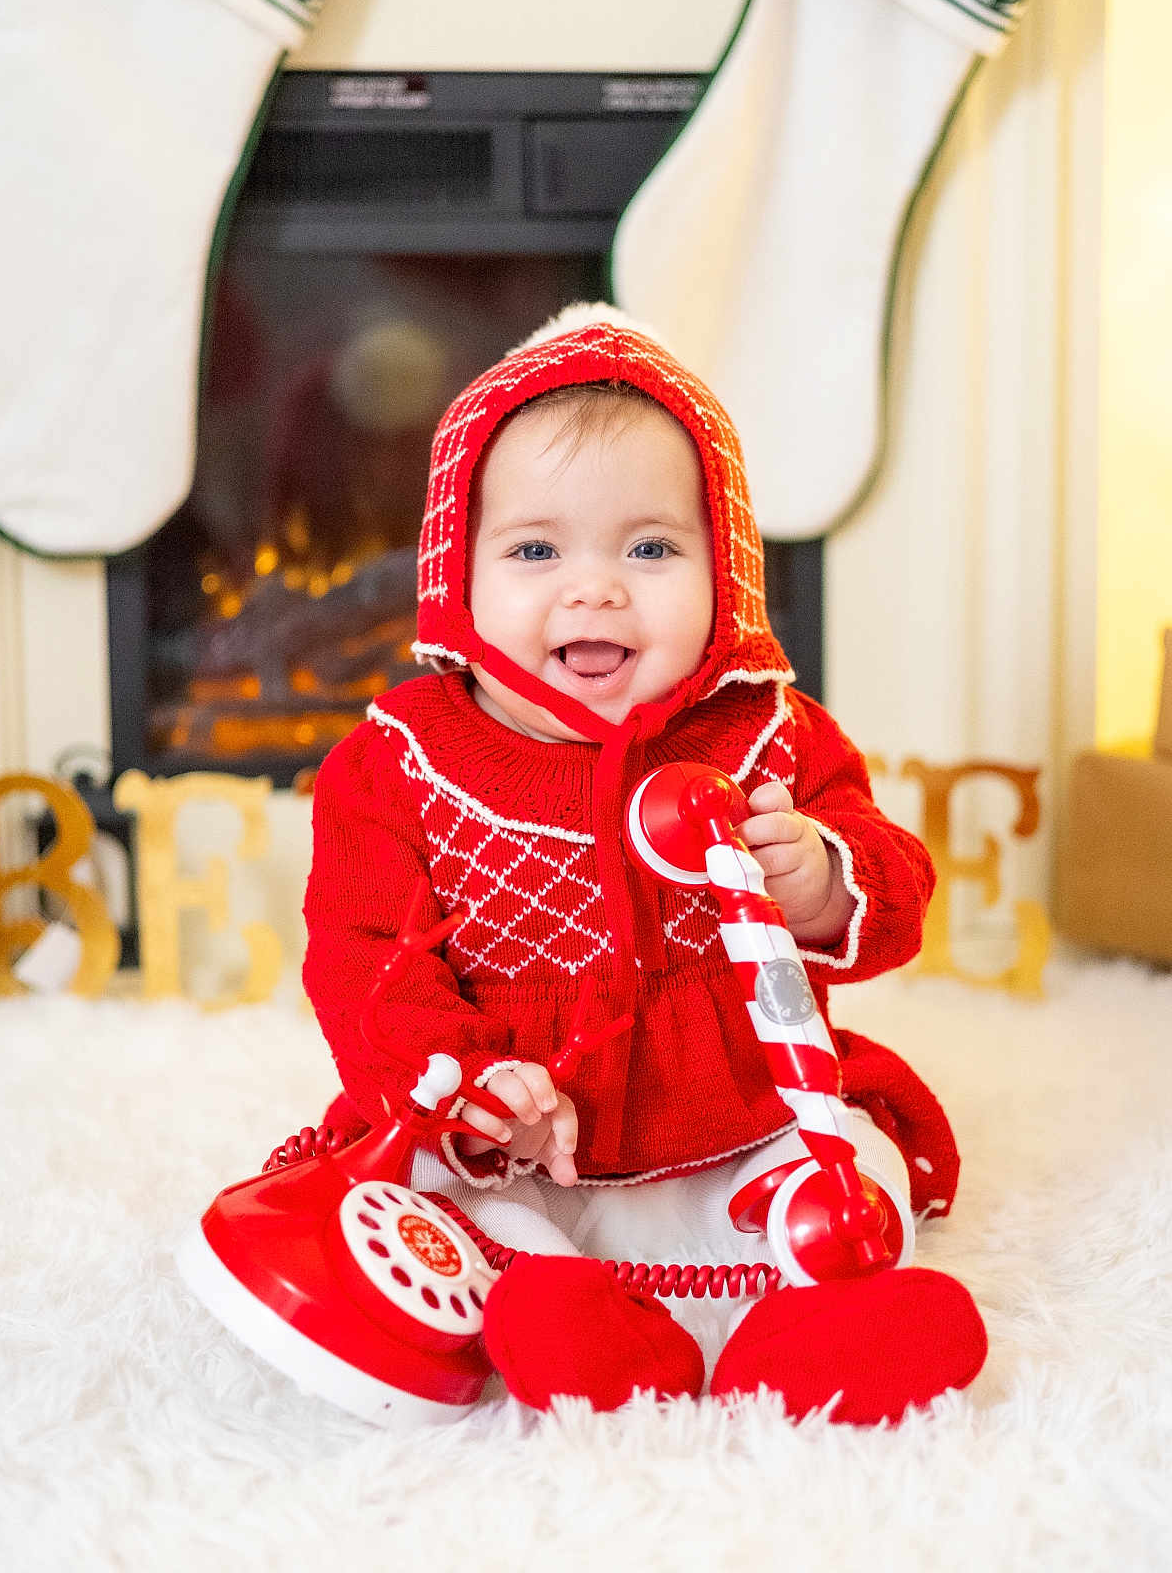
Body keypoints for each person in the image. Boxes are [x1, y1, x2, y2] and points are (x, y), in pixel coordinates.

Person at [302, 305, 986, 1422]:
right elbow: (364, 959)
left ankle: (817, 1335)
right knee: (438, 1214)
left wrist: (820, 880)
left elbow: (894, 877)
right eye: (534, 550)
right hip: (526, 1138)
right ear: (454, 577)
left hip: (740, 1115)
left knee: (845, 1178)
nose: (595, 589)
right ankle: (577, 1321)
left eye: (651, 547)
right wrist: (469, 1087)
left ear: (727, 571)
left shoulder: (770, 734)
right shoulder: (400, 763)